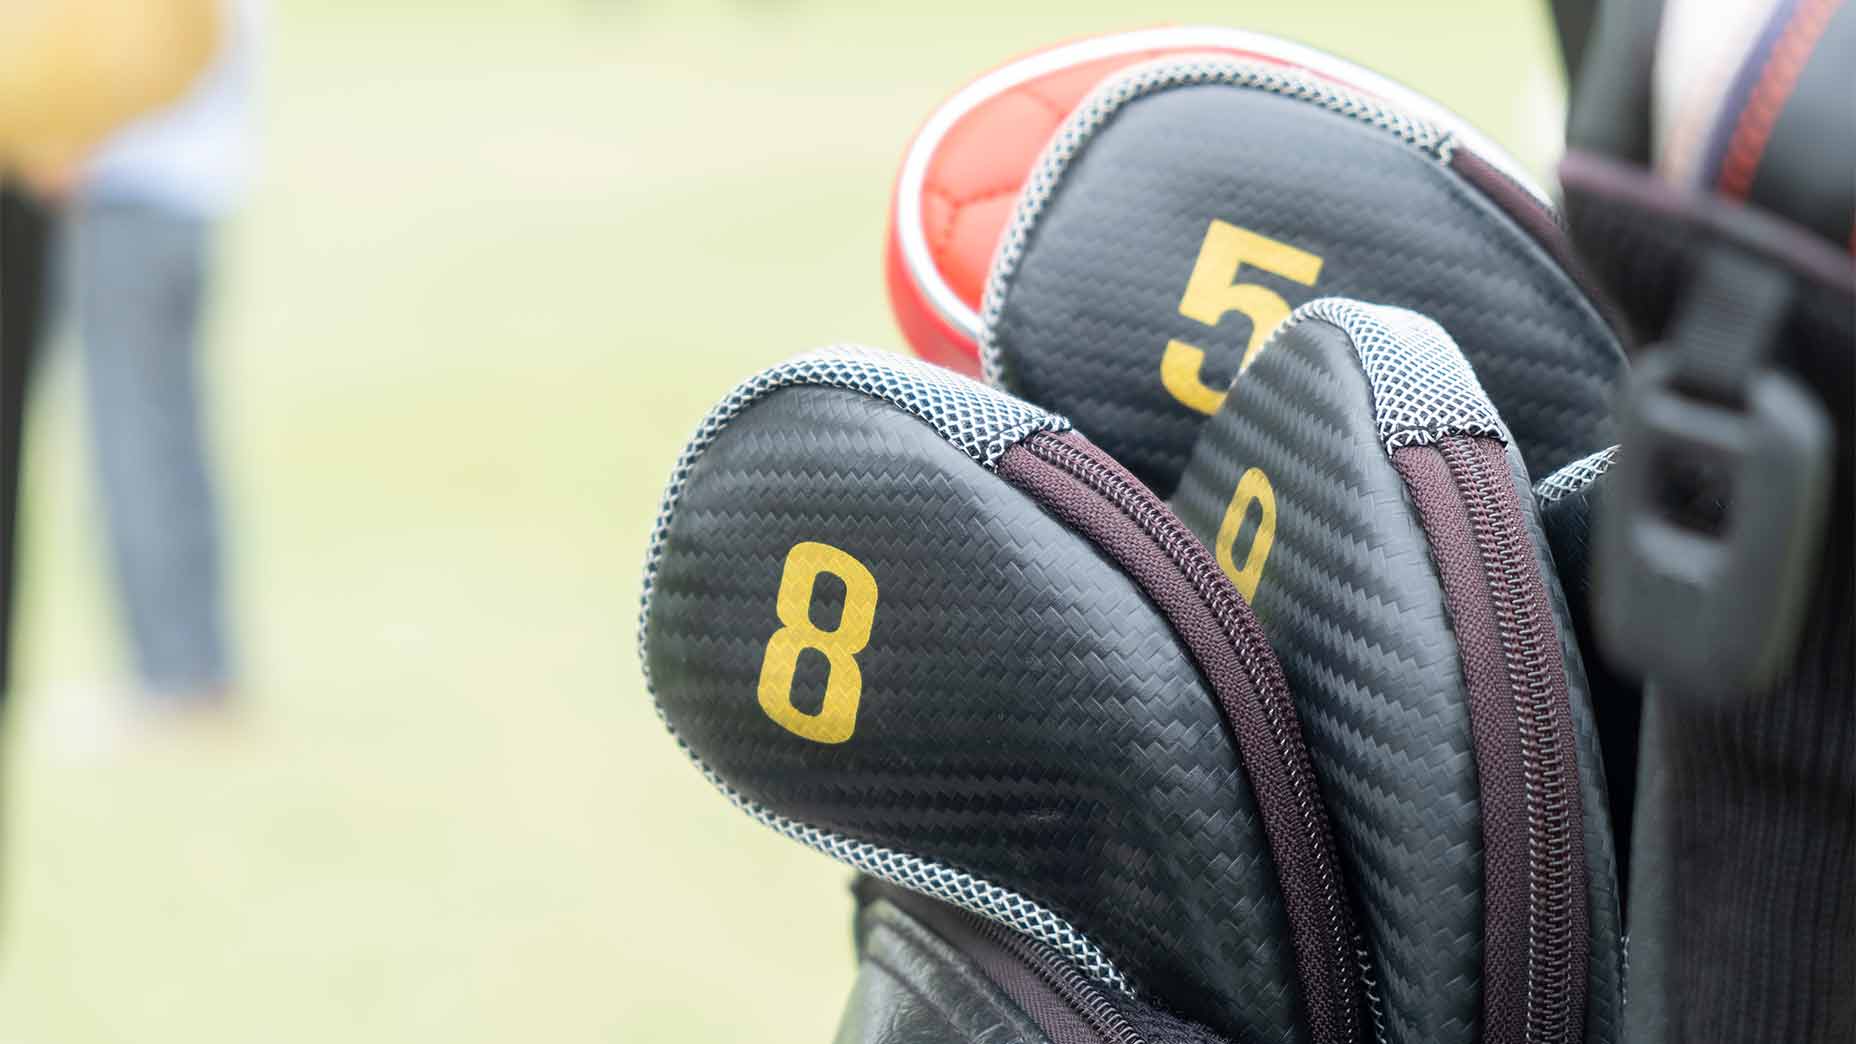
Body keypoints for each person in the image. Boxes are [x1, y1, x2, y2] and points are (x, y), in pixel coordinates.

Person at [57, 0, 261, 710]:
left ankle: (172, 679)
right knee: (168, 439)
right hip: (192, 183)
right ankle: (196, 667)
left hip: (126, 186)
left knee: (136, 443)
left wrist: (66, 145)